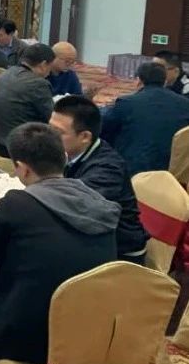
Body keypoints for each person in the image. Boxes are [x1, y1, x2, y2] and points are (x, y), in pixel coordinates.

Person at [0, 122, 119, 364]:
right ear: (64, 157)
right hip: (92, 331)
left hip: (30, 337)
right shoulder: (98, 202)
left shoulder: (16, 203)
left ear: (23, 169)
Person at [50, 96, 148, 263]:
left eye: (58, 133)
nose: (49, 137)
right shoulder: (72, 152)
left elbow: (76, 208)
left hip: (119, 254)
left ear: (85, 136)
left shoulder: (108, 168)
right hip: (92, 238)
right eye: (49, 129)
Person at [102, 61, 189, 176]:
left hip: (134, 170)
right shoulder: (185, 103)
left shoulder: (127, 103)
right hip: (173, 171)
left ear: (138, 80)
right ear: (165, 81)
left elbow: (103, 130)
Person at [0, 43, 55, 157]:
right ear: (43, 64)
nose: (50, 72)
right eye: (50, 67)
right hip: (23, 148)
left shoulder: (5, 74)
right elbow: (51, 117)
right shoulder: (38, 84)